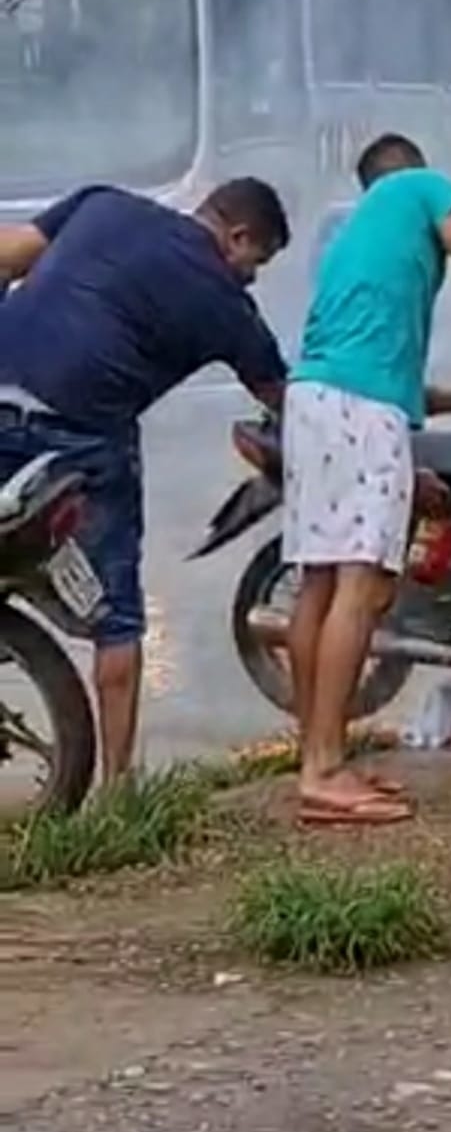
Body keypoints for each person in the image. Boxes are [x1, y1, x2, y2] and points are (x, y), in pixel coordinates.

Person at [0, 180, 291, 780]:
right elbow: (285, 400)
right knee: (118, 621)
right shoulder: (228, 306)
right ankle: (119, 791)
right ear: (236, 235)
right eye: (255, 262)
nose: (252, 278)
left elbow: (8, 256)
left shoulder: (103, 204)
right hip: (80, 444)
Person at [285, 132, 451, 826]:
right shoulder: (420, 188)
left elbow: (378, 364)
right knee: (362, 587)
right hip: (362, 411)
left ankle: (316, 754)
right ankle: (325, 772)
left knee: (320, 583)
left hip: (314, 401)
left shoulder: (352, 239)